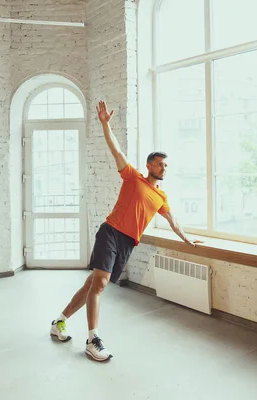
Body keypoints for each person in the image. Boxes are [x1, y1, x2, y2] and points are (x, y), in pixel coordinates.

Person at [50, 100, 201, 362]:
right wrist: (105, 125)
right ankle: (92, 339)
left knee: (92, 285)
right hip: (110, 232)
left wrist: (187, 239)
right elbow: (116, 150)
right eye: (159, 164)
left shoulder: (161, 196)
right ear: (149, 165)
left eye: (166, 165)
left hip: (128, 242)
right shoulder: (133, 177)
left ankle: (59, 321)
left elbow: (173, 220)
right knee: (101, 284)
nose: (163, 168)